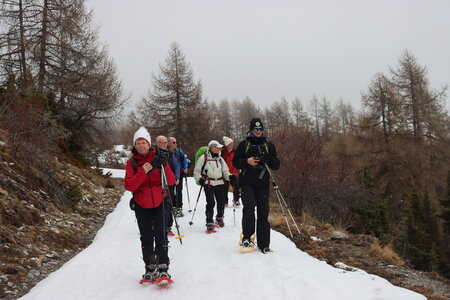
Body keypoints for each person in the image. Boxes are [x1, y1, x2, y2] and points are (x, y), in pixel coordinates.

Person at [125, 127, 176, 281]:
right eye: (138, 143)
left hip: (160, 202)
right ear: (135, 145)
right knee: (146, 237)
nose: (141, 146)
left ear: (149, 143)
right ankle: (149, 266)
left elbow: (171, 181)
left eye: (144, 142)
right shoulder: (132, 162)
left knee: (161, 235)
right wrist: (142, 172)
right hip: (141, 204)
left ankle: (163, 266)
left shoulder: (158, 157)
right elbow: (129, 186)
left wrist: (164, 165)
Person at [232, 118, 280, 253]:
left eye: (260, 129)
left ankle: (264, 244)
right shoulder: (244, 145)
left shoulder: (269, 145)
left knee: (263, 213)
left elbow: (276, 165)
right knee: (249, 208)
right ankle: (247, 238)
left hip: (263, 183)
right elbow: (235, 162)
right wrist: (247, 161)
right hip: (247, 182)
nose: (258, 131)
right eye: (255, 129)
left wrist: (268, 159)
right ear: (251, 130)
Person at [194, 140, 235, 233]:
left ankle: (219, 217)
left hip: (220, 182)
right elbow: (196, 172)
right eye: (217, 147)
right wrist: (200, 179)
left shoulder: (220, 159)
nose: (219, 149)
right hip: (208, 183)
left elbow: (225, 171)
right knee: (211, 202)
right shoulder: (203, 158)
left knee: (221, 202)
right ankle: (209, 222)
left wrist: (230, 176)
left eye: (220, 147)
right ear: (212, 148)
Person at [155, 135, 180, 236]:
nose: (164, 145)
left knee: (169, 204)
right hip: (157, 184)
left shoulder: (170, 154)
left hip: (169, 183)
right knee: (157, 204)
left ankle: (168, 226)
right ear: (157, 143)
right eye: (162, 143)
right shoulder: (153, 153)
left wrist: (177, 177)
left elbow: (177, 166)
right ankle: (156, 224)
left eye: (166, 143)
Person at [168, 137, 189, 218]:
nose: (175, 144)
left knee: (179, 190)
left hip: (179, 173)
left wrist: (185, 167)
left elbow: (185, 160)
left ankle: (179, 206)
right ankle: (172, 206)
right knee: (171, 191)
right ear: (169, 143)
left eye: (175, 142)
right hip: (169, 174)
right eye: (173, 142)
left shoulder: (179, 151)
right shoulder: (166, 151)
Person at [221, 136, 240, 207]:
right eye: (231, 144)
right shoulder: (222, 152)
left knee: (236, 186)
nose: (232, 145)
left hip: (234, 172)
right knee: (225, 187)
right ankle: (225, 201)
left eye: (233, 143)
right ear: (227, 145)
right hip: (225, 172)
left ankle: (236, 200)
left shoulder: (235, 152)